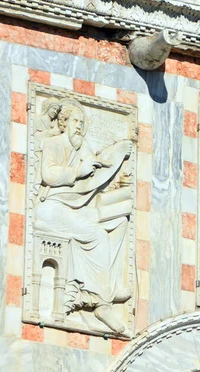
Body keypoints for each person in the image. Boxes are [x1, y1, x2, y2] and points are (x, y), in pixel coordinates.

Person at [33, 100, 133, 334]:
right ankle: (100, 301)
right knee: (97, 233)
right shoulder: (53, 143)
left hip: (76, 206)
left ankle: (109, 284)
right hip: (52, 208)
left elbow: (99, 165)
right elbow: (48, 174)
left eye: (82, 122)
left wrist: (118, 154)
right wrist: (78, 171)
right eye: (75, 121)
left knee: (119, 221)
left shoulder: (82, 146)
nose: (79, 126)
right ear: (64, 122)